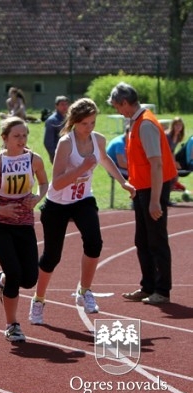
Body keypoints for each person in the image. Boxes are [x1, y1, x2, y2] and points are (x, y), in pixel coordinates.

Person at [29, 98, 135, 325]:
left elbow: (105, 160)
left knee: (94, 242)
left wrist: (123, 182)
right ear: (75, 122)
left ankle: (84, 290)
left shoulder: (99, 140)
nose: (90, 127)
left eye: (93, 122)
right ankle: (38, 299)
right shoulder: (66, 143)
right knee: (51, 257)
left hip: (83, 199)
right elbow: (56, 183)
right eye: (85, 123)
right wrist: (81, 169)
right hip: (58, 204)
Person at [0, 117, 48, 342]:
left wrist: (37, 197)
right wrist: (1, 210)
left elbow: (44, 183)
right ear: (5, 138)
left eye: (24, 135)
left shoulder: (34, 160)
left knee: (29, 279)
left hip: (25, 224)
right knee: (15, 273)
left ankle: (2, 279)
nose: (21, 140)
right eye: (16, 136)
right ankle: (12, 325)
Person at [108, 82, 177, 305]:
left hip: (152, 188)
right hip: (142, 188)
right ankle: (147, 286)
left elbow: (156, 164)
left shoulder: (145, 124)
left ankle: (162, 290)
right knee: (142, 240)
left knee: (156, 239)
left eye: (117, 106)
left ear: (125, 103)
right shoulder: (135, 122)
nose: (117, 110)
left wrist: (155, 200)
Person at [43, 96, 70, 162]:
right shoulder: (52, 121)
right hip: (58, 154)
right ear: (56, 106)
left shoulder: (68, 119)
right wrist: (55, 155)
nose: (65, 106)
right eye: (62, 104)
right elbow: (48, 142)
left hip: (69, 153)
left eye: (66, 104)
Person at [165, 117, 186, 192]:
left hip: (169, 158)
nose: (178, 127)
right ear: (173, 125)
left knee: (174, 176)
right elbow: (165, 151)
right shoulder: (167, 136)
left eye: (180, 125)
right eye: (176, 125)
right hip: (163, 158)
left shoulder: (178, 136)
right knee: (170, 177)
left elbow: (172, 151)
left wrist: (174, 163)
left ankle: (167, 196)